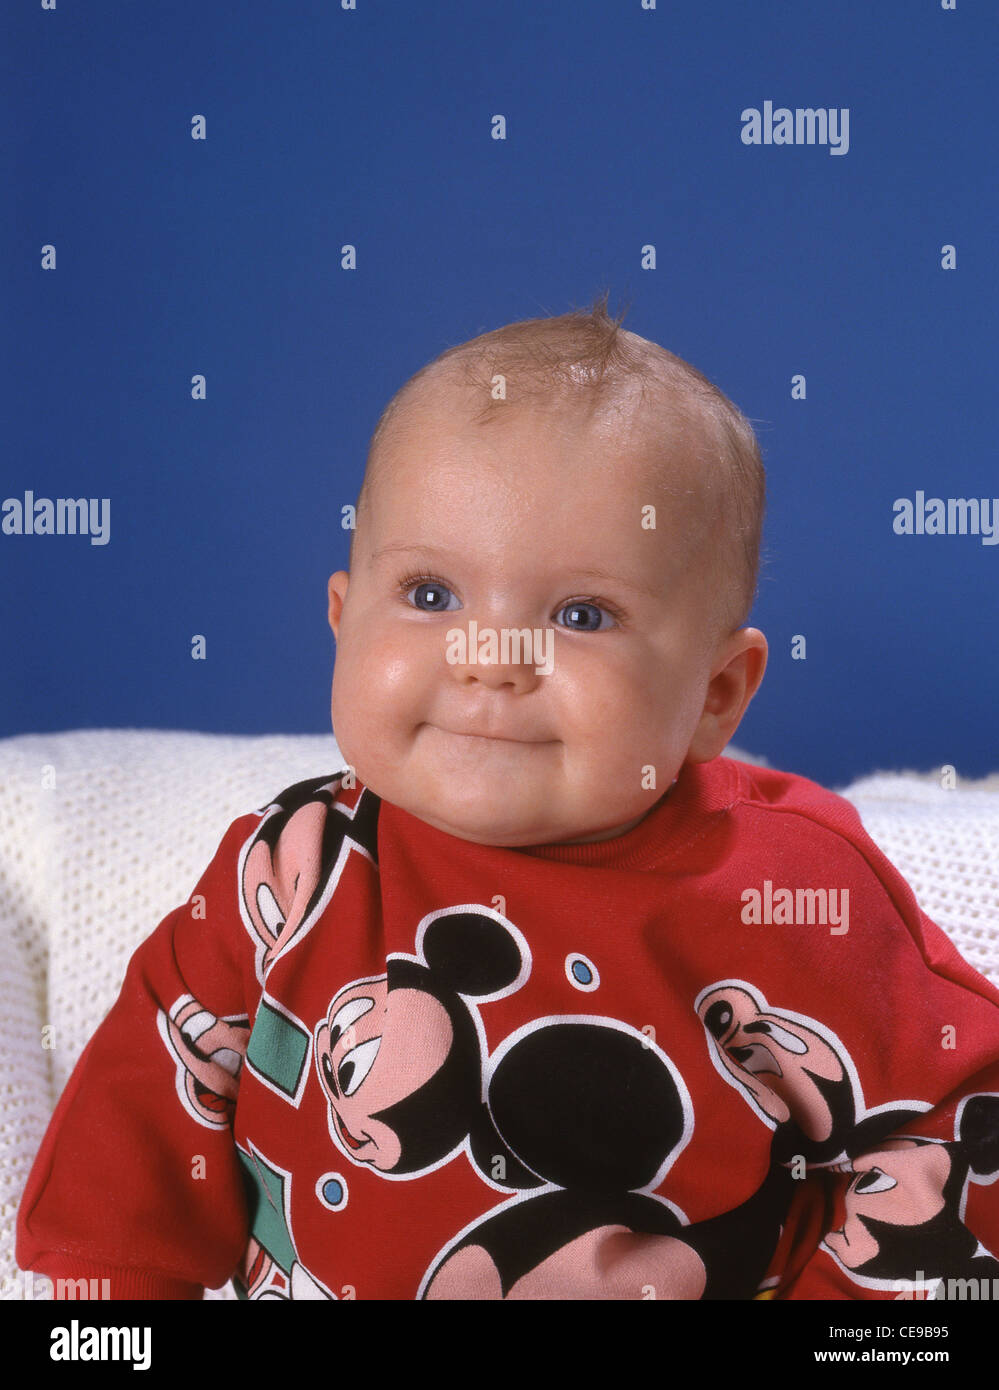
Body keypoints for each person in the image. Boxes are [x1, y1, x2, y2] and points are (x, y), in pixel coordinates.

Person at [16, 295, 999, 1300]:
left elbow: (953, 1130)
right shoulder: (294, 862)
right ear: (344, 619)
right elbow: (149, 1112)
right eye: (432, 594)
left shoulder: (787, 892)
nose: (490, 658)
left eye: (581, 614)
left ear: (715, 697)